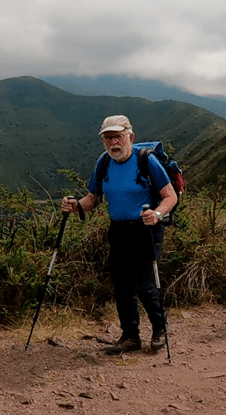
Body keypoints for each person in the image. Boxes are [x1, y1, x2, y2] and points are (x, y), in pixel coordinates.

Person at [62, 115, 178, 355]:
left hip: (146, 229)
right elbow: (92, 199)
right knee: (122, 285)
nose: (113, 142)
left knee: (145, 284)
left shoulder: (147, 161)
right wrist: (75, 206)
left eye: (118, 136)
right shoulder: (104, 163)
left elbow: (170, 196)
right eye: (107, 138)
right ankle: (130, 336)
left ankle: (159, 329)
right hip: (118, 230)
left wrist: (156, 214)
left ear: (130, 137)